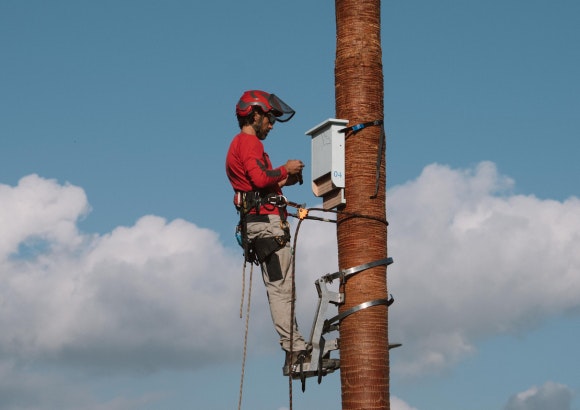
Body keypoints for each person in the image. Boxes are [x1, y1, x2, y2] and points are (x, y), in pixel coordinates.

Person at [225, 90, 308, 372]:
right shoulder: (249, 143)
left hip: (259, 227)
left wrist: (285, 178)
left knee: (280, 287)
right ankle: (295, 349)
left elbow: (256, 184)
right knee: (281, 289)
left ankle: (293, 349)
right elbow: (261, 178)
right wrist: (285, 168)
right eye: (269, 119)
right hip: (268, 227)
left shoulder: (240, 145)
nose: (271, 125)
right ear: (256, 114)